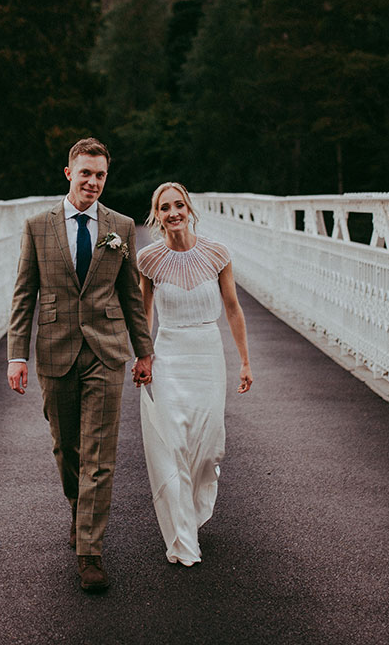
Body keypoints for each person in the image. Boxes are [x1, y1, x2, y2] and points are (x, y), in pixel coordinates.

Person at [7, 138, 154, 592]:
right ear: (68, 173)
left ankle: (90, 551)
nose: (93, 182)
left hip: (107, 350)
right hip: (55, 347)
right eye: (86, 173)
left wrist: (144, 350)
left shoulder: (121, 226)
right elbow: (24, 293)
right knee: (65, 445)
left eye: (101, 175)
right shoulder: (37, 226)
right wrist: (17, 355)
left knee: (100, 453)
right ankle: (77, 507)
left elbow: (131, 294)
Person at [133, 181, 253, 567]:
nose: (173, 213)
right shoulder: (149, 260)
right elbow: (144, 313)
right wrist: (144, 356)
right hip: (169, 355)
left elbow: (233, 308)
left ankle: (195, 507)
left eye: (179, 205)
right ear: (157, 215)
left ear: (189, 209)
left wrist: (245, 361)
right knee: (174, 445)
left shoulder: (217, 253)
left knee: (208, 446)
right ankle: (183, 538)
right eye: (165, 207)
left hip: (207, 355)